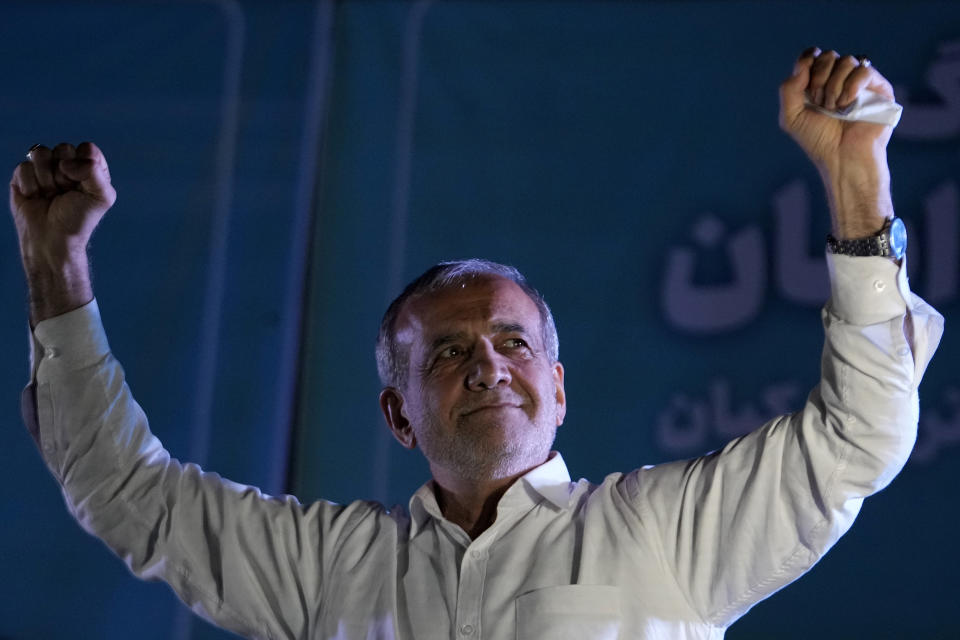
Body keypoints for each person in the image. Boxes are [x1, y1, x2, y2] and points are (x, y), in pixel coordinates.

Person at [10, 48, 942, 639]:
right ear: (398, 413)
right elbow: (125, 492)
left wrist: (857, 178)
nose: (487, 363)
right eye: (448, 353)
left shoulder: (663, 536)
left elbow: (860, 436)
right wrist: (58, 268)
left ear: (560, 389)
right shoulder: (329, 569)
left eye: (511, 341)